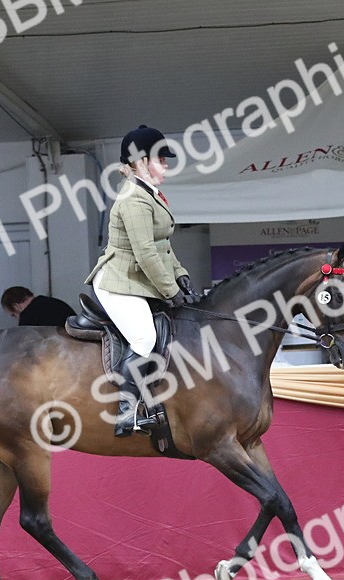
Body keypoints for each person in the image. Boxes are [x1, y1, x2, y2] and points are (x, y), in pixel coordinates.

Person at [84, 124, 201, 437]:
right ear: (139, 162)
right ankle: (126, 411)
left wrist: (181, 275)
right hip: (119, 283)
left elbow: (163, 246)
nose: (166, 164)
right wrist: (169, 290)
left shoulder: (153, 195)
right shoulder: (134, 199)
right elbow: (146, 253)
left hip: (140, 280)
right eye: (160, 158)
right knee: (144, 340)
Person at [0, 286, 76, 327]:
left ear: (16, 306)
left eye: (13, 315)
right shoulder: (55, 303)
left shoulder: (28, 317)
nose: (17, 319)